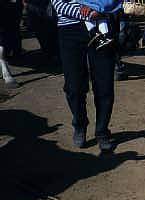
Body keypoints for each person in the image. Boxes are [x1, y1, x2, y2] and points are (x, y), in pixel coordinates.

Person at [51, 0, 117, 151]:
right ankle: (79, 123)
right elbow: (57, 3)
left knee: (104, 84)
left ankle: (102, 131)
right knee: (73, 86)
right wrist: (85, 13)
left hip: (102, 26)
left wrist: (100, 10)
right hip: (70, 30)